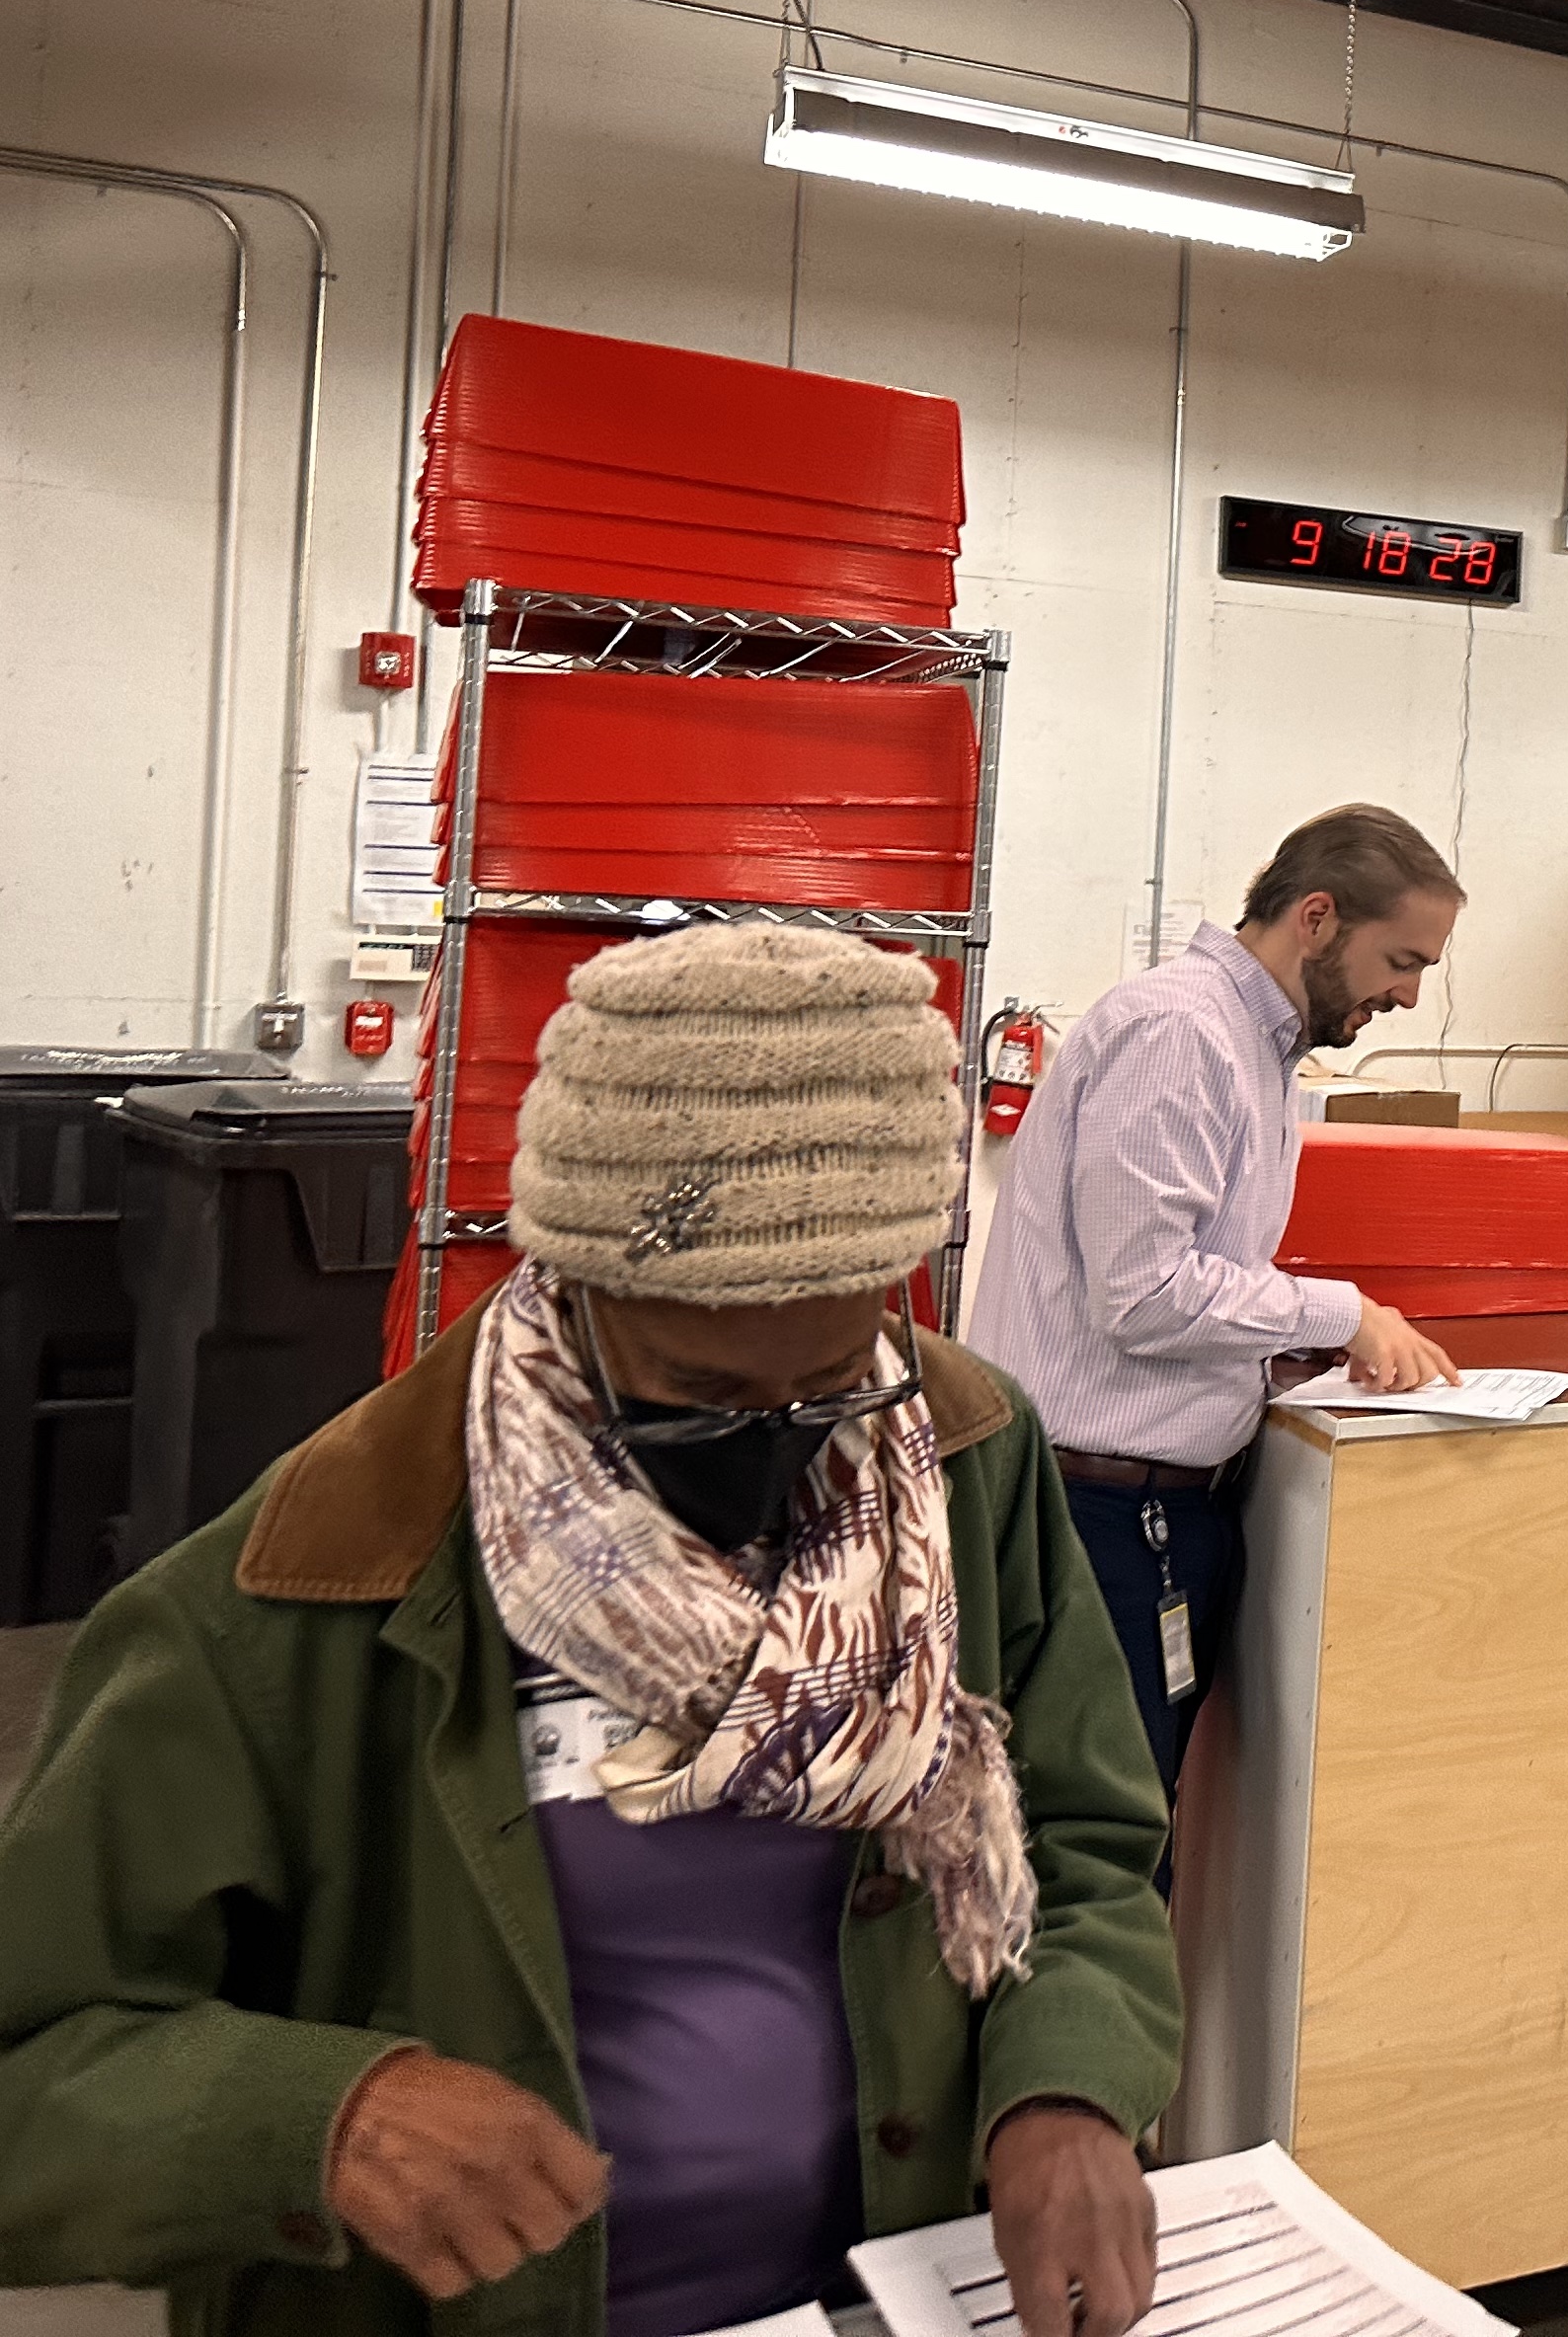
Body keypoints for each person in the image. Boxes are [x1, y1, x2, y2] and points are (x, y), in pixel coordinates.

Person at [0, 925, 1182, 2337]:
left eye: (827, 1386)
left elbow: (1085, 1844)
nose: (772, 1450)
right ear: (565, 1283)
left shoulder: (957, 1462)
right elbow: (38, 2060)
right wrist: (322, 2116)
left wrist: (1066, 2086)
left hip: (885, 2297)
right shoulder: (310, 1581)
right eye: (693, 1388)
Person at [969, 805, 1466, 1803]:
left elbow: (1188, 1268)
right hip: (1094, 1517)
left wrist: (1283, 1350)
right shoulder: (1180, 1036)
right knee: (1087, 1853)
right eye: (1401, 961)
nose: (1410, 996)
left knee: (1128, 1838)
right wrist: (1343, 1316)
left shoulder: (1257, 1045)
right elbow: (1145, 1293)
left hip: (1149, 1510)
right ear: (1316, 918)